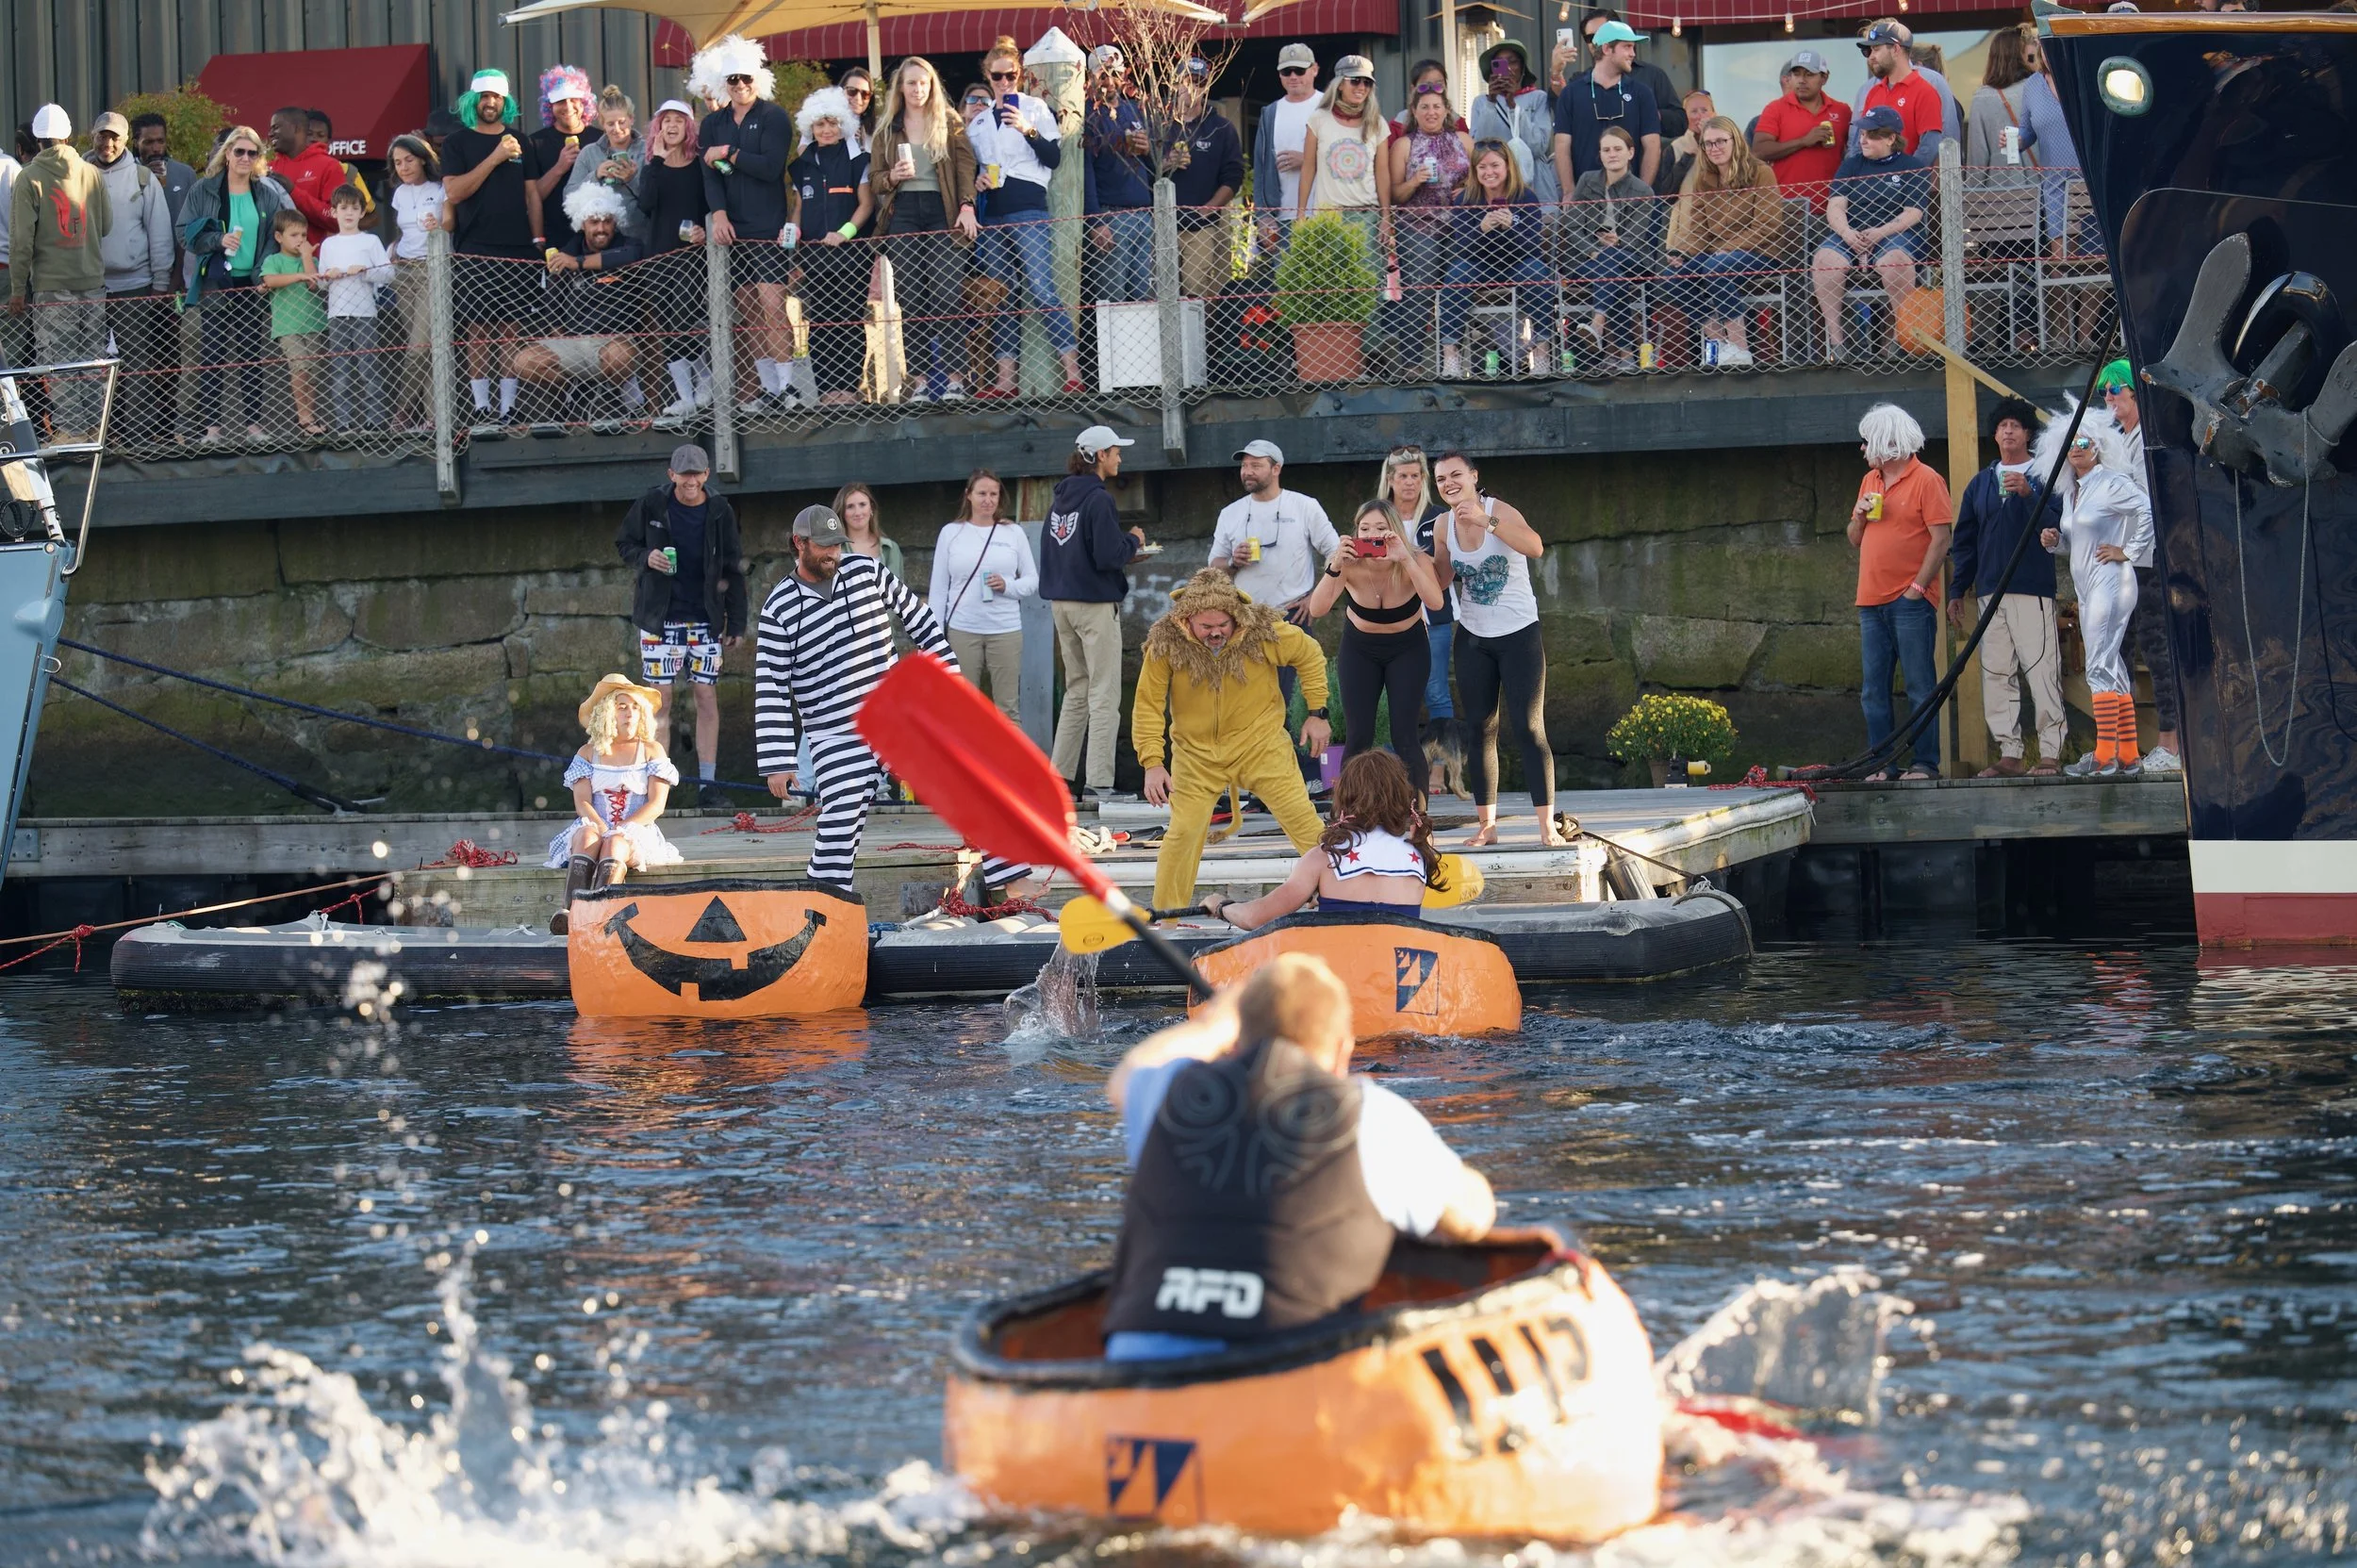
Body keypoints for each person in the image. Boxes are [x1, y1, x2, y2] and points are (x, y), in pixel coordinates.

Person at [1100, 951, 1495, 1362]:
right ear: (1344, 1050)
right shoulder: (1369, 1114)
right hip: (1290, 1376)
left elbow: (1130, 1071)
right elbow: (1472, 1218)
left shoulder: (1171, 1092)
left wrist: (1211, 1026)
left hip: (1141, 1372)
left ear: (1235, 1043)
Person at [756, 503, 1036, 898]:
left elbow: (919, 620)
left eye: (838, 546)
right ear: (798, 544)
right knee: (839, 822)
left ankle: (1014, 884)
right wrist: (779, 762)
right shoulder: (778, 608)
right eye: (824, 547)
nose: (834, 554)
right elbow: (771, 685)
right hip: (833, 734)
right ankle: (826, 911)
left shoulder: (867, 570)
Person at [1132, 569, 1332, 910]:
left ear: (1236, 615)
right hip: (1195, 755)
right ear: (1186, 619)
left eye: (1222, 625)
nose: (1215, 633)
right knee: (1181, 836)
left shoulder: (1261, 631)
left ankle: (1344, 895)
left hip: (1260, 743)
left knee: (1304, 820)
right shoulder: (1165, 642)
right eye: (1206, 627)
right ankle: (1166, 920)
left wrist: (1318, 713)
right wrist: (1152, 762)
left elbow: (1308, 652)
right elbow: (1148, 704)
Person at [1429, 451, 1558, 846]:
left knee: (1528, 727)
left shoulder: (1499, 510)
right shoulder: (1441, 524)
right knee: (1481, 730)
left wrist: (1487, 521)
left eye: (1456, 475)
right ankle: (1487, 827)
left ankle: (1546, 826)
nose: (1449, 483)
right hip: (1473, 636)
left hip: (1519, 633)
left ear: (1473, 476)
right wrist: (1406, 562)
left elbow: (1535, 547)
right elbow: (1440, 578)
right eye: (1440, 479)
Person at [618, 442, 746, 805]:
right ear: (671, 475)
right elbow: (624, 543)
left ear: (706, 475)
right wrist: (647, 557)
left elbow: (733, 566)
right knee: (659, 702)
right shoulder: (651, 504)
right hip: (660, 619)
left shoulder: (720, 509)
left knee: (706, 696)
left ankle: (708, 784)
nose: (690, 481)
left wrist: (735, 621)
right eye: (684, 474)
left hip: (705, 619)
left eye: (697, 474)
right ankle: (658, 787)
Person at [1949, 397, 2064, 777]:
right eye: (2003, 426)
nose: (2009, 431)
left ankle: (2050, 751)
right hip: (1989, 590)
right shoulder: (1980, 483)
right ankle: (2010, 752)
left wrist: (2029, 495)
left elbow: (2060, 526)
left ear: (2028, 433)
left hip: (2032, 587)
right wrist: (1957, 589)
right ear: (1995, 434)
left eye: (2016, 425)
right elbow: (1965, 540)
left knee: (2041, 668)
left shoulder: (2046, 477)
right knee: (1997, 672)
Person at [1203, 749, 1441, 931]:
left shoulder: (1323, 858)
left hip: (1338, 986)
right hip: (1400, 984)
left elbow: (1254, 918)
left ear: (1346, 794)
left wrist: (1221, 905)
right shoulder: (1421, 849)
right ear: (1402, 793)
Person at [691, 36, 801, 416]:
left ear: (758, 79)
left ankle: (788, 387)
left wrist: (731, 153)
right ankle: (769, 387)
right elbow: (709, 177)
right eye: (733, 80)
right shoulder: (712, 124)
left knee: (773, 304)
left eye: (746, 79)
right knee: (748, 308)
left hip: (768, 223)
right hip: (731, 227)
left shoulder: (773, 117)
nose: (739, 86)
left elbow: (771, 169)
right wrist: (717, 214)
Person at [967, 37, 1083, 396]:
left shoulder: (1034, 108)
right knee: (1002, 294)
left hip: (1030, 205)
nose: (1004, 83)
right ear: (988, 76)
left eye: (1011, 75)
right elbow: (970, 168)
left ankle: (1073, 372)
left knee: (1041, 288)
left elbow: (1053, 158)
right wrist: (977, 178)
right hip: (994, 210)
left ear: (1020, 74)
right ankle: (1006, 381)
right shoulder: (979, 123)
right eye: (997, 77)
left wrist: (1026, 128)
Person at [1304, 499, 1446, 783]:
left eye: (1380, 527)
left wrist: (1404, 558)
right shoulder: (1348, 564)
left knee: (1405, 733)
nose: (1372, 535)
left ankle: (1419, 819)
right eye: (1364, 528)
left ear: (1394, 530)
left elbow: (1436, 602)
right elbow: (1316, 610)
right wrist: (1334, 566)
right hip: (1360, 649)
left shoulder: (1415, 559)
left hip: (1408, 648)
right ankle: (1346, 814)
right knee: (1359, 735)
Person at [439, 69, 548, 436]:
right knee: (479, 331)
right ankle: (482, 408)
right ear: (473, 101)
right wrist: (496, 157)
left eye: (497, 97)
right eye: (484, 96)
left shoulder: (522, 140)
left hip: (518, 249)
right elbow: (454, 193)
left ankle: (508, 408)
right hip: (475, 249)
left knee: (510, 331)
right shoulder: (457, 143)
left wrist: (538, 239)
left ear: (506, 102)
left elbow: (532, 194)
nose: (490, 103)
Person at [1043, 424, 1147, 801]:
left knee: (1077, 690)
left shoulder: (1059, 499)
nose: (1120, 457)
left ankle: (1058, 780)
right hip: (1094, 606)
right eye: (1116, 451)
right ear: (1100, 455)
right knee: (1104, 694)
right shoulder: (1099, 499)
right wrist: (1134, 540)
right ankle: (1099, 783)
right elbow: (1107, 555)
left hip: (1061, 605)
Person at [1848, 403, 1953, 781]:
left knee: (1919, 685)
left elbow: (1941, 539)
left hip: (1910, 600)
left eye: (1865, 441)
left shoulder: (1927, 479)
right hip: (1870, 599)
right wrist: (1858, 516)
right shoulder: (1870, 482)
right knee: (1873, 690)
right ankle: (1882, 763)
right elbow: (1854, 539)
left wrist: (1918, 587)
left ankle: (1925, 763)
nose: (1861, 449)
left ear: (1884, 441)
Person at [2043, 418, 2151, 779]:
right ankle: (2129, 753)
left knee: (2099, 666)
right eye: (2071, 443)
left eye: (2084, 442)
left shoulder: (2111, 482)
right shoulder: (2074, 492)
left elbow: (2147, 510)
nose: (2077, 448)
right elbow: (2081, 544)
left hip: (2111, 581)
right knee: (2112, 668)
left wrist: (2129, 550)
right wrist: (2057, 543)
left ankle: (2105, 753)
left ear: (2099, 446)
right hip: (2086, 584)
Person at [870, 55, 980, 404]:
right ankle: (918, 382)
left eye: (923, 82)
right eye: (911, 82)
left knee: (946, 295)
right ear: (900, 88)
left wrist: (967, 205)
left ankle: (954, 380)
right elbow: (874, 181)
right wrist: (892, 177)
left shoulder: (948, 121)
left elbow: (966, 165)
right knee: (912, 299)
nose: (917, 89)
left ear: (932, 85)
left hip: (942, 210)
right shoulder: (888, 127)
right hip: (903, 212)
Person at [544, 673, 684, 932]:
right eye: (622, 707)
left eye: (634, 707)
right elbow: (583, 802)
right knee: (586, 836)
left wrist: (623, 828)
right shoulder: (587, 753)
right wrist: (601, 827)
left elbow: (656, 803)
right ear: (607, 712)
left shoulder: (652, 750)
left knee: (616, 843)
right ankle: (570, 913)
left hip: (635, 830)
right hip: (595, 825)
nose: (629, 713)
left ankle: (597, 915)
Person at [8, 106, 111, 446]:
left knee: (58, 360)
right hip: (93, 281)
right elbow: (107, 224)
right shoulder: (92, 173)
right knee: (93, 358)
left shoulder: (30, 177)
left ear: (37, 140)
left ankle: (71, 432)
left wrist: (17, 290)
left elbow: (21, 241)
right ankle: (97, 431)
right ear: (68, 135)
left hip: (53, 286)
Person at [2097, 359, 2179, 775]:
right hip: (2119, 564)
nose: (2109, 396)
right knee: (2118, 652)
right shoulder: (2116, 442)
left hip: (2145, 561)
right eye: (2104, 392)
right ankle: (2120, 747)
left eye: (2115, 389)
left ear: (2134, 392)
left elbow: (2149, 506)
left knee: (2158, 647)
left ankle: (2171, 744)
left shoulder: (2150, 441)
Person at [183, 126, 288, 446]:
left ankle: (253, 425)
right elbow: (184, 232)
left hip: (251, 284)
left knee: (250, 353)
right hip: (217, 279)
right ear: (226, 154)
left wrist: (262, 272)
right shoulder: (204, 190)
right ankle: (212, 429)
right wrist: (217, 240)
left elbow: (276, 236)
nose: (245, 158)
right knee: (212, 353)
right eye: (238, 151)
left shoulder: (266, 193)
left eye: (251, 153)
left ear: (258, 158)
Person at [512, 184, 646, 426]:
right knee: (524, 361)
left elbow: (631, 257)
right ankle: (571, 393)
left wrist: (579, 263)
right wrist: (558, 331)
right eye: (594, 222)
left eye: (607, 221)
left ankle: (619, 397)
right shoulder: (566, 252)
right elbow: (552, 303)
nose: (601, 228)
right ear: (582, 224)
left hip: (614, 341)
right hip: (573, 343)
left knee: (619, 356)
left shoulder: (630, 246)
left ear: (616, 222)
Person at [1666, 116, 1783, 370]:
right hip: (1716, 255)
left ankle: (1741, 349)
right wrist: (1683, 254)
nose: (1714, 148)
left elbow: (1768, 225)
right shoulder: (1703, 179)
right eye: (1708, 144)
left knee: (1717, 267)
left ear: (1736, 141)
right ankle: (1719, 343)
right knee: (1672, 276)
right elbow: (1697, 230)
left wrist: (1727, 248)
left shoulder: (1760, 172)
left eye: (1720, 141)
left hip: (1760, 252)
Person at [1811, 107, 1925, 363]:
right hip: (1852, 232)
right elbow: (1836, 206)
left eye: (1871, 135)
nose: (1863, 140)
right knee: (1825, 261)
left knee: (1895, 262)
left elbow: (1912, 214)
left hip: (1894, 233)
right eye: (1862, 134)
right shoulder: (1850, 165)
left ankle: (1901, 336)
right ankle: (1836, 342)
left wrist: (1879, 233)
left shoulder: (1912, 167)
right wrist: (1847, 233)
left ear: (1890, 138)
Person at [87, 111, 174, 446]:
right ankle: (98, 440)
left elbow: (160, 232)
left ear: (126, 141)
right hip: (89, 286)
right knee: (92, 366)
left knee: (137, 365)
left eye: (115, 138)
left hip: (135, 286)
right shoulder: (77, 173)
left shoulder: (143, 178)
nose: (107, 144)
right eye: (102, 136)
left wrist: (160, 283)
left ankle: (137, 439)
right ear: (91, 136)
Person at [1380, 446, 1460, 793]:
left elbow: (1452, 563)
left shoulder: (1439, 516)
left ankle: (1439, 769)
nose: (1409, 482)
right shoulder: (1378, 516)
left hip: (1434, 616)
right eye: (1403, 476)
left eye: (1416, 476)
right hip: (1389, 617)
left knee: (1437, 690)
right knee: (1395, 693)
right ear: (1390, 480)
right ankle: (1395, 770)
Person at [786, 87, 874, 409]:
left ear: (843, 126)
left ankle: (850, 390)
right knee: (820, 323)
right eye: (820, 125)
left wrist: (845, 233)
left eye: (832, 124)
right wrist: (792, 234)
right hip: (814, 257)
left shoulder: (858, 160)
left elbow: (866, 204)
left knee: (849, 320)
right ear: (810, 127)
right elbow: (797, 207)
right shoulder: (800, 165)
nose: (826, 130)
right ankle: (827, 391)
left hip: (851, 256)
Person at [929, 468, 1039, 719]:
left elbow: (1032, 581)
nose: (988, 500)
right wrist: (933, 636)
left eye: (993, 494)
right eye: (981, 493)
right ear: (968, 495)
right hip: (962, 629)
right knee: (961, 706)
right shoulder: (951, 533)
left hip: (1005, 629)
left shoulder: (1013, 532)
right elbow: (938, 590)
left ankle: (1009, 760)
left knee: (1008, 709)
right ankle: (963, 760)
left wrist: (1007, 586)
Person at [1440, 141, 1555, 380]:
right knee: (1455, 276)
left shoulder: (1526, 196)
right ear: (1474, 170)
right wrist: (1481, 229)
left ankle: (1542, 353)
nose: (1488, 172)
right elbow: (1460, 247)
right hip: (1478, 264)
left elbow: (1534, 246)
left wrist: (1512, 226)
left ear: (1508, 167)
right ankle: (1451, 355)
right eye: (1482, 167)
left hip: (1518, 262)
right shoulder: (1466, 199)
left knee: (1538, 274)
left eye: (1495, 165)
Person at [635, 100, 714, 424]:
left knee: (687, 320)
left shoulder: (699, 166)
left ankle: (704, 385)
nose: (671, 126)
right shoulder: (653, 165)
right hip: (658, 257)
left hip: (690, 258)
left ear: (688, 127)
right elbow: (646, 204)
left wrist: (702, 231)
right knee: (667, 326)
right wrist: (657, 162)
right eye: (665, 121)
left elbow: (709, 206)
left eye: (678, 121)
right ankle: (685, 398)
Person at [1210, 438, 1341, 630]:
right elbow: (1213, 566)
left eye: (1256, 465)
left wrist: (1315, 598)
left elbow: (1336, 553)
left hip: (1292, 614)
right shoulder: (1230, 513)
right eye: (1244, 466)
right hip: (1244, 615)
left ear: (1276, 469)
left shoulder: (1305, 506)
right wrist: (1233, 562)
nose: (1247, 472)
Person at [1564, 125, 1660, 372]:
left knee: (1611, 263)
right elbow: (1573, 227)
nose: (1612, 154)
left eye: (1618, 149)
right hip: (1588, 260)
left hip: (1632, 261)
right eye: (1606, 150)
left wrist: (1614, 243)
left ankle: (1598, 326)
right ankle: (1626, 353)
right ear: (1600, 154)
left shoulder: (1643, 191)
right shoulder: (1587, 181)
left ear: (1630, 153)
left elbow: (1635, 239)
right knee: (1610, 272)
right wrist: (1594, 250)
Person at [1389, 79, 1470, 368]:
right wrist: (1414, 181)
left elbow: (1486, 176)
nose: (1431, 112)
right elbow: (1393, 193)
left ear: (1446, 109)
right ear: (1414, 110)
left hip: (1459, 227)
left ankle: (1453, 359)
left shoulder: (1463, 139)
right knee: (1419, 293)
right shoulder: (1403, 144)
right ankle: (1411, 364)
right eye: (1425, 107)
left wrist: (1469, 189)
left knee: (1456, 290)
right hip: (1417, 228)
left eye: (1437, 106)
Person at [1162, 54, 1245, 301]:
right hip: (1160, 227)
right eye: (1187, 81)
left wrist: (1208, 209)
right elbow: (1141, 171)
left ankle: (1199, 341)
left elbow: (1234, 176)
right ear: (1175, 84)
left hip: (1202, 227)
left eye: (1199, 82)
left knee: (1196, 295)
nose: (1192, 88)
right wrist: (1166, 164)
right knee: (1160, 294)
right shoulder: (1159, 124)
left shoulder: (1221, 127)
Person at [1553, 19, 1661, 200]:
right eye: (1627, 47)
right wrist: (1569, 192)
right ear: (1606, 49)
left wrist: (1642, 192)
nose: (1633, 54)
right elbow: (1562, 145)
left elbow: (1652, 146)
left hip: (1629, 199)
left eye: (1633, 48)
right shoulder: (1571, 93)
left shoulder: (1642, 93)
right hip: (1584, 199)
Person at [316, 183, 393, 434]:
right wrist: (329, 275)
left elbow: (388, 273)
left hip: (365, 314)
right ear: (334, 212)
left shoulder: (370, 241)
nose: (349, 213)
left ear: (362, 213)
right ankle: (343, 422)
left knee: (368, 367)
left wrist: (365, 271)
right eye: (344, 208)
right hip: (337, 314)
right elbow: (320, 283)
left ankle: (375, 420)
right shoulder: (329, 245)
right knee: (340, 372)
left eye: (354, 208)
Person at [1296, 54, 1391, 250]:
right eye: (1355, 81)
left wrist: (1386, 217)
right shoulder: (1318, 119)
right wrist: (1301, 214)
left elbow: (1382, 173)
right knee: (1330, 280)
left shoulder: (1377, 122)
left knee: (1369, 279)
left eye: (1367, 82)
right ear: (1339, 84)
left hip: (1367, 218)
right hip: (1329, 217)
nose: (1361, 87)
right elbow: (1308, 168)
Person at [1082, 47, 1153, 304]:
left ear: (1124, 75)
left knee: (1143, 302)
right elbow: (1085, 173)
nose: (1109, 81)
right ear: (1090, 78)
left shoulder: (1135, 110)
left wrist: (1149, 151)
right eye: (1102, 75)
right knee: (1113, 303)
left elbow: (1157, 167)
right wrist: (1096, 222)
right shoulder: (1088, 115)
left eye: (1114, 73)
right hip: (1111, 218)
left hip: (1144, 215)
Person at [385, 136, 445, 434]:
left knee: (419, 348)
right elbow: (403, 229)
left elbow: (450, 227)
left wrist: (440, 227)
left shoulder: (440, 189)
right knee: (420, 347)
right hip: (403, 273)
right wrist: (394, 246)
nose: (404, 167)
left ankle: (403, 411)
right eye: (398, 162)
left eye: (409, 159)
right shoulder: (399, 194)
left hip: (431, 270)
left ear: (422, 158)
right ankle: (433, 417)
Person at [1751, 51, 1850, 215]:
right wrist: (1803, 141)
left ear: (1824, 78)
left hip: (1834, 208)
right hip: (1788, 207)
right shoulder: (1775, 108)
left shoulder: (1842, 111)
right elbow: (1759, 151)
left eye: (1809, 74)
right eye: (1796, 74)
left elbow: (1854, 153)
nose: (1802, 80)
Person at [257, 208, 327, 437]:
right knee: (300, 367)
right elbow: (270, 280)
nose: (300, 240)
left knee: (313, 371)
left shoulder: (312, 259)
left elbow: (314, 284)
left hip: (314, 324)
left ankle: (311, 416)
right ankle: (303, 417)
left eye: (304, 235)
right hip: (288, 325)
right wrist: (298, 276)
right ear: (279, 237)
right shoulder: (274, 260)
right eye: (294, 235)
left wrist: (307, 258)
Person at [1468, 39, 1558, 207]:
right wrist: (1492, 102)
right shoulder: (1481, 102)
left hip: (1534, 183)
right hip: (1495, 185)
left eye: (1513, 62)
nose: (1508, 67)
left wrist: (1513, 106)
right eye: (1500, 63)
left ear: (1523, 67)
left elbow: (1539, 146)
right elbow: (1479, 146)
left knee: (1538, 231)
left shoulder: (1538, 97)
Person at [1579, 8, 1686, 148]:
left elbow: (1680, 123)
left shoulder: (1651, 76)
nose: (1595, 41)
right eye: (1590, 38)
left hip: (1643, 162)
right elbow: (1566, 130)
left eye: (1602, 33)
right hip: (1595, 164)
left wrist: (1651, 114)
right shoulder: (1579, 84)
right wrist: (1557, 76)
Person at [1251, 42, 1322, 253]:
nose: (1293, 76)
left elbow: (1344, 157)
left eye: (1299, 70)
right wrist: (1264, 216)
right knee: (1286, 284)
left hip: (1325, 212)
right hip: (1283, 218)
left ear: (1314, 69)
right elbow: (1261, 168)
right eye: (1286, 71)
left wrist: (1307, 159)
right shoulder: (1270, 113)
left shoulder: (1329, 105)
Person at [565, 85, 651, 245]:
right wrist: (596, 175)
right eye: (610, 124)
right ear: (602, 124)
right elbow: (568, 196)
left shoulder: (649, 150)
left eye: (622, 122)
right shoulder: (589, 153)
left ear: (631, 119)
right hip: (600, 241)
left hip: (641, 238)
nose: (617, 129)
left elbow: (657, 200)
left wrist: (631, 180)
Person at [1851, 21, 1945, 161]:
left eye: (1876, 49)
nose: (1870, 57)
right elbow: (1860, 142)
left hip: (1910, 182)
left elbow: (1929, 146)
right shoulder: (1873, 92)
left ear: (1896, 49)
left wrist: (1905, 178)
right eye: (1868, 51)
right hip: (1874, 182)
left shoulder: (1925, 91)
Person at [1964, 26, 2041, 191]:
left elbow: (1977, 158)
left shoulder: (1982, 99)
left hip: (2001, 195)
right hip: (2044, 190)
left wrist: (1973, 197)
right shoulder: (2040, 89)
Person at [530, 68, 597, 256]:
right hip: (554, 240)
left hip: (597, 239)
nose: (567, 107)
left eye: (573, 100)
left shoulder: (602, 140)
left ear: (584, 103)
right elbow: (531, 198)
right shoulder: (535, 143)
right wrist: (560, 168)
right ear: (549, 105)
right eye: (560, 101)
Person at [266, 105, 345, 248]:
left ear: (296, 129)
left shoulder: (329, 166)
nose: (271, 134)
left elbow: (337, 220)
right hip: (270, 262)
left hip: (311, 261)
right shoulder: (267, 166)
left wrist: (293, 192)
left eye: (276, 127)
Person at [130, 113, 197, 231]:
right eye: (149, 142)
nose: (156, 148)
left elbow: (196, 217)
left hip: (178, 246)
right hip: (137, 247)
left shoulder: (185, 174)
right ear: (136, 143)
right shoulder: (126, 174)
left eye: (160, 141)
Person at [1656, 88, 1716, 205]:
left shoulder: (1728, 141)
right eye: (1694, 111)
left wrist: (1708, 137)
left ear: (1714, 114)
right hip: (1687, 215)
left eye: (1704, 110)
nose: (1700, 116)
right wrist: (1686, 159)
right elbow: (1665, 195)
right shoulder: (1675, 147)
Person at [832, 481, 903, 579]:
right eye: (850, 507)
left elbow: (897, 590)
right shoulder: (834, 549)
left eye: (862, 505)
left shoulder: (890, 549)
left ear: (871, 508)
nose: (857, 512)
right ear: (842, 512)